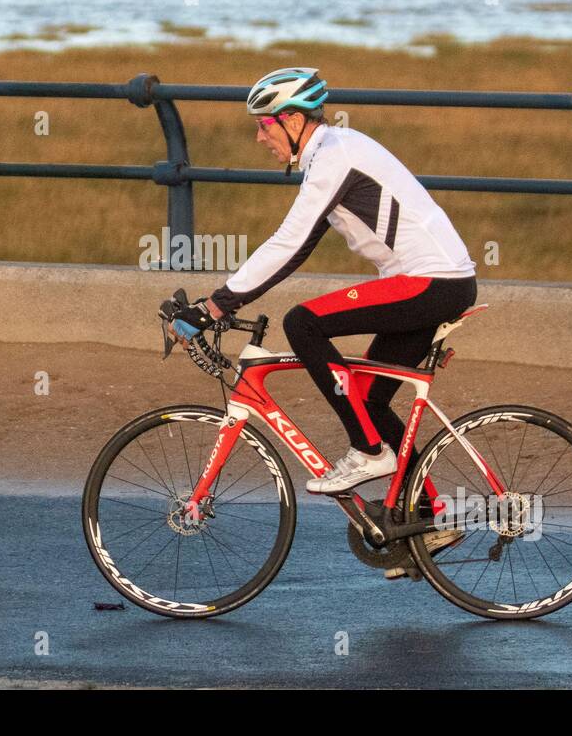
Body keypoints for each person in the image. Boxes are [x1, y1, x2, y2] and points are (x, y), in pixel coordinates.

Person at [170, 66, 478, 496]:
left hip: (430, 283)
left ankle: (370, 453)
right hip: (433, 282)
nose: (260, 137)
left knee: (303, 323)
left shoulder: (335, 156)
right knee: (368, 402)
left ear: (293, 121)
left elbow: (290, 244)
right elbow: (295, 243)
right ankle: (428, 515)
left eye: (264, 125)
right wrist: (222, 301)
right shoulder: (332, 151)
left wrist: (216, 305)